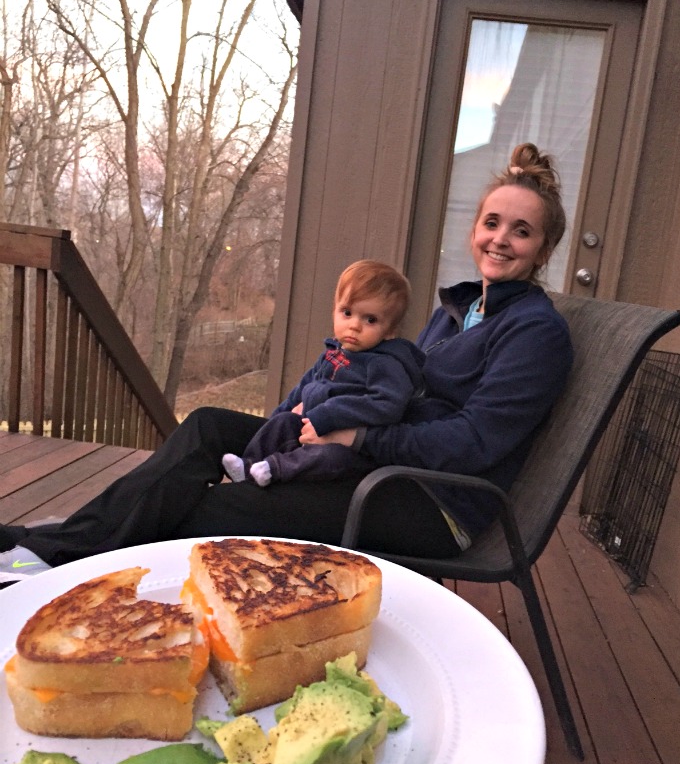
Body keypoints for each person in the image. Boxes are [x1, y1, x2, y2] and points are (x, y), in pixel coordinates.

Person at [0, 142, 573, 575]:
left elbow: (473, 445)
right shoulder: (459, 309)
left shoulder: (535, 333)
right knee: (205, 427)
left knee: (217, 511)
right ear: (475, 230)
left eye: (521, 232)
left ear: (543, 249)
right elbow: (393, 386)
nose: (500, 239)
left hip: (432, 502)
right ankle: (57, 543)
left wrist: (356, 440)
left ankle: (62, 559)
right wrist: (297, 420)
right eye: (491, 223)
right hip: (376, 464)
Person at [221, 260, 424, 487]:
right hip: (311, 427)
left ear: (390, 331)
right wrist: (279, 415)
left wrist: (329, 415)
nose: (354, 325)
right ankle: (247, 467)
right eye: (347, 313)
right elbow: (301, 389)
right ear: (334, 310)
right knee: (283, 422)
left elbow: (387, 404)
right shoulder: (332, 354)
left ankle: (273, 469)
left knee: (329, 458)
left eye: (370, 320)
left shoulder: (386, 364)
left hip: (351, 449)